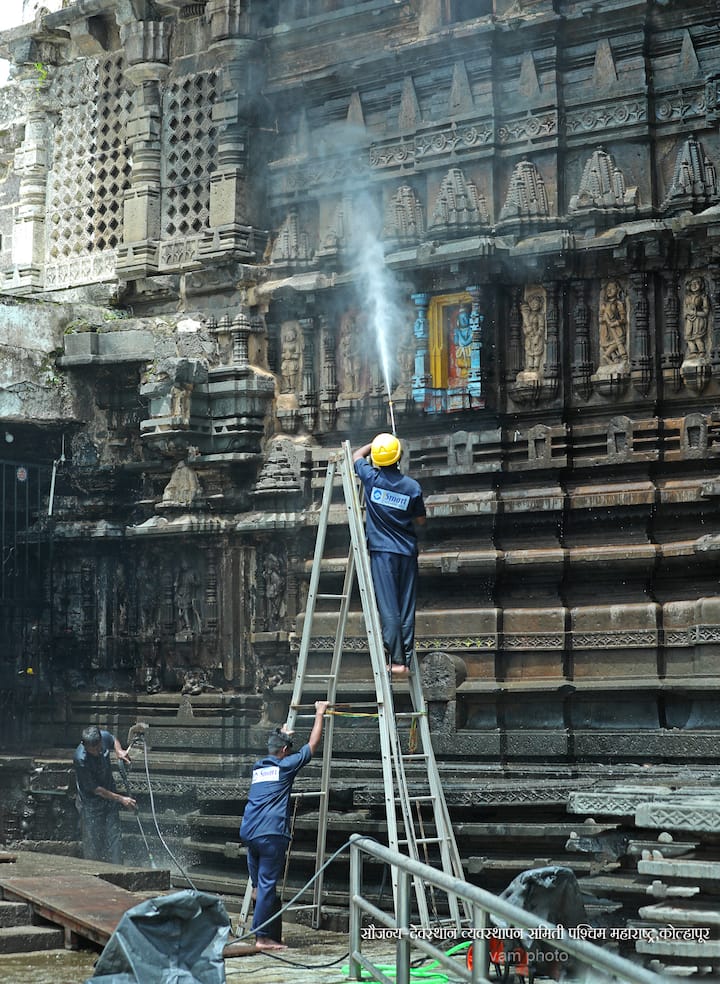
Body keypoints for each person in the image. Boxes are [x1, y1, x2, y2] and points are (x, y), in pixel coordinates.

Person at [239, 701, 329, 950]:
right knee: (267, 886)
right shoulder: (285, 766)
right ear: (285, 751)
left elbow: (277, 744)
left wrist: (282, 733)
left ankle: (264, 932)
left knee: (258, 887)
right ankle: (262, 938)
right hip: (270, 833)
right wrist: (319, 713)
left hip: (249, 831)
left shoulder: (259, 767)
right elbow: (312, 745)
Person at [353, 434, 426, 675]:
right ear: (399, 457)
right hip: (407, 552)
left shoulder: (371, 478)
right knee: (406, 607)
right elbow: (421, 521)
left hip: (383, 553)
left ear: (376, 458)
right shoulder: (412, 487)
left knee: (389, 607)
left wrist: (372, 445)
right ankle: (405, 660)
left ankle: (396, 662)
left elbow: (356, 456)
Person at [73, 725, 137, 864]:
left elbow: (112, 739)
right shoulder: (80, 759)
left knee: (115, 839)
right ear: (85, 745)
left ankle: (118, 869)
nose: (98, 752)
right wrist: (121, 799)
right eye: (93, 749)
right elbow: (96, 790)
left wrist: (119, 751)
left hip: (109, 799)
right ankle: (94, 871)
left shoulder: (102, 737)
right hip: (90, 804)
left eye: (99, 747)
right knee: (93, 845)